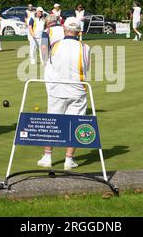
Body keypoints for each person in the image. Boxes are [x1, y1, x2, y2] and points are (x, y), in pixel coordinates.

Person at [37, 17, 90, 171]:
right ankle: (69, 160)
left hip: (58, 90)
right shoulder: (86, 47)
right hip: (77, 90)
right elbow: (86, 68)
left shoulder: (55, 45)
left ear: (64, 28)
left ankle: (47, 157)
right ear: (79, 31)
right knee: (75, 124)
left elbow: (48, 62)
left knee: (52, 122)